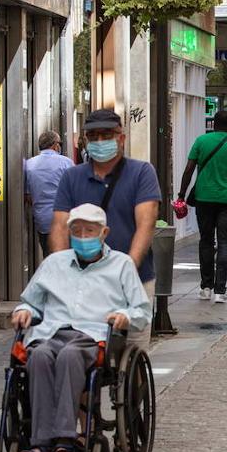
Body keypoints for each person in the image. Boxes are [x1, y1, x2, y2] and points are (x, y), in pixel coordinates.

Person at [10, 204, 150, 452]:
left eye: (90, 231)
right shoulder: (54, 263)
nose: (83, 237)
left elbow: (142, 310)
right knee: (38, 356)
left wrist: (124, 316)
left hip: (93, 337)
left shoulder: (121, 265)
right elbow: (30, 300)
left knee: (69, 356)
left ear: (104, 232)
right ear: (69, 233)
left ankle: (65, 437)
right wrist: (23, 310)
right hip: (51, 332)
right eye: (77, 231)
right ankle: (40, 440)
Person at [50, 110, 161, 338]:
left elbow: (146, 225)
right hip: (82, 284)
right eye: (94, 136)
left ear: (121, 138)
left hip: (133, 283)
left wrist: (125, 271)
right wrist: (62, 271)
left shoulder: (141, 173)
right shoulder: (72, 177)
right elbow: (60, 227)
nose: (100, 141)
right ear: (86, 140)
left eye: (107, 135)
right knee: (77, 349)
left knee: (129, 350)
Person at [178, 110, 227, 303]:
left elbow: (188, 170)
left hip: (204, 198)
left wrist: (181, 195)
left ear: (212, 124)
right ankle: (220, 290)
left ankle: (206, 287)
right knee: (225, 242)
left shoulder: (201, 142)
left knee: (206, 241)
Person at [25, 130, 74, 256]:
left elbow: (28, 196)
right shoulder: (66, 163)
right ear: (55, 145)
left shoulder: (29, 164)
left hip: (43, 221)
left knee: (50, 258)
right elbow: (76, 192)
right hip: (66, 221)